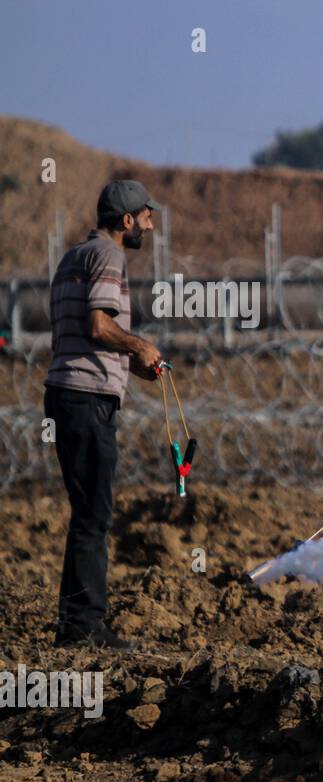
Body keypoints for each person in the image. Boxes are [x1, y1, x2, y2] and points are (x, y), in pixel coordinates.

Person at [44, 180, 165, 648]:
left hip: (64, 392)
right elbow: (98, 325)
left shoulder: (74, 256)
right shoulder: (110, 257)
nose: (151, 225)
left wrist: (135, 364)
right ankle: (83, 627)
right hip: (85, 398)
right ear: (127, 220)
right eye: (146, 217)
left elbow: (81, 331)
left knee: (86, 513)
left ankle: (74, 622)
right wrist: (139, 344)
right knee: (94, 515)